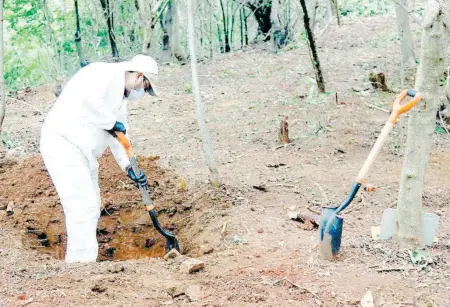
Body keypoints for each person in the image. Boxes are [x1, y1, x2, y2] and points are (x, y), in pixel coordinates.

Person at [40, 54, 159, 263]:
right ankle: (80, 267)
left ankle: (84, 261)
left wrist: (129, 167)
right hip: (63, 145)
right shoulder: (101, 74)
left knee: (92, 205)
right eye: (145, 86)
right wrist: (111, 123)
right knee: (82, 206)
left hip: (85, 153)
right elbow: (90, 102)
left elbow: (120, 136)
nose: (143, 91)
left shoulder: (119, 99)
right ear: (139, 75)